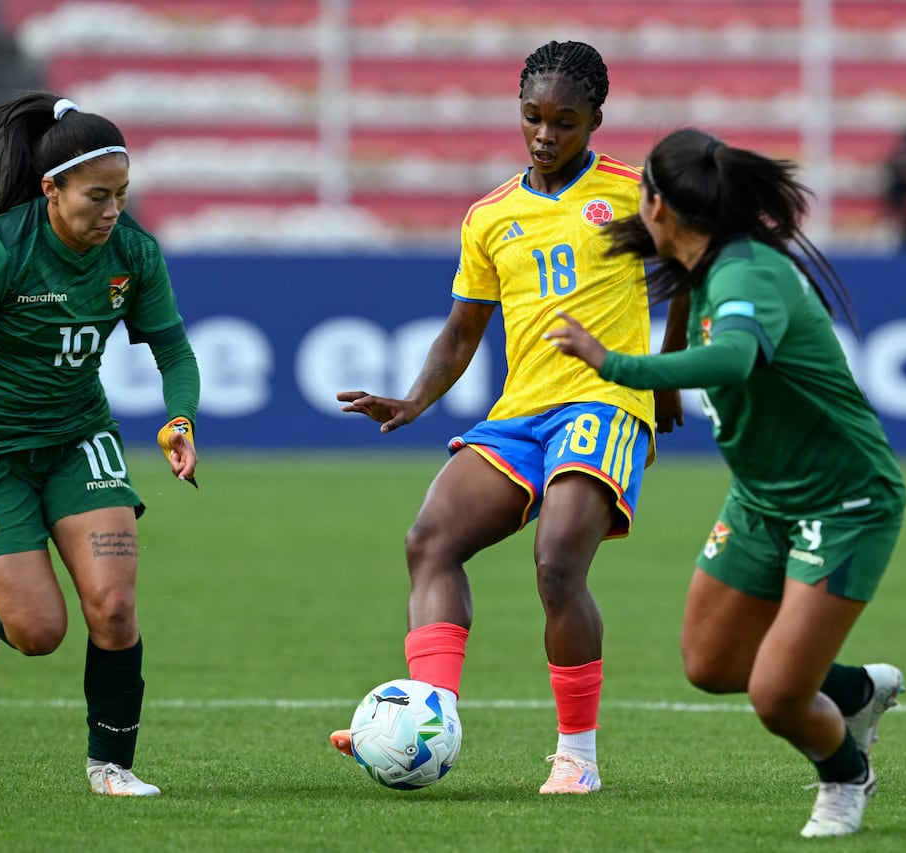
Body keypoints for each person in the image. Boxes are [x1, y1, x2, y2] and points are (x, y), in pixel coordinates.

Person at [328, 40, 684, 795]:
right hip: (521, 412)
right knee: (430, 540)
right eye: (533, 117)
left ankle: (577, 757)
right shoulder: (491, 215)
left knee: (557, 564)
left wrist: (668, 375)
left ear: (595, 119)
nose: (545, 134)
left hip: (605, 403)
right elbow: (463, 330)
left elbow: (692, 264)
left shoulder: (632, 192)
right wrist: (414, 399)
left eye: (564, 121)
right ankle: (425, 718)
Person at [544, 127, 906, 837]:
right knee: (712, 662)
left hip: (844, 502)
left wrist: (617, 364)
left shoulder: (746, 274)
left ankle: (844, 774)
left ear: (660, 205)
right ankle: (857, 689)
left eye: (641, 188)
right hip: (763, 497)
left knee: (775, 694)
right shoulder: (702, 263)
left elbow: (736, 357)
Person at [0, 92, 201, 796]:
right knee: (40, 631)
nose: (112, 212)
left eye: (123, 195)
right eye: (97, 197)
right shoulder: (1, 248)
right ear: (51, 190)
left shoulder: (133, 252)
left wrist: (180, 419)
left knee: (112, 605)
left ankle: (112, 764)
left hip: (79, 437)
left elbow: (174, 352)